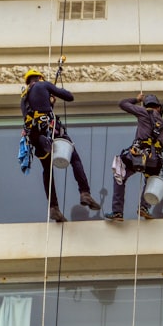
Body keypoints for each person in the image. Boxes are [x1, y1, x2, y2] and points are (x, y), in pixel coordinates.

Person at [21, 69, 101, 222]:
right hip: (50, 130)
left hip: (36, 136)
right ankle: (85, 192)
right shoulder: (42, 85)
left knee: (47, 170)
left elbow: (35, 110)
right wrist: (52, 92)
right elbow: (69, 97)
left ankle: (53, 207)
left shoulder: (24, 96)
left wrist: (49, 102)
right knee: (74, 157)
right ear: (39, 78)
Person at [104, 92, 163, 221]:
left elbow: (122, 104)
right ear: (158, 107)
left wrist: (136, 99)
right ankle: (144, 207)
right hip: (155, 162)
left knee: (119, 173)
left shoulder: (143, 112)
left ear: (147, 106)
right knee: (151, 181)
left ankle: (117, 211)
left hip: (137, 157)